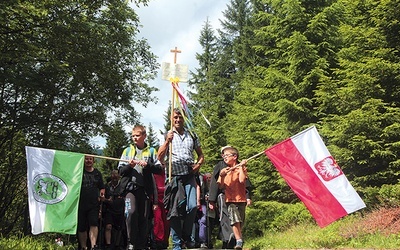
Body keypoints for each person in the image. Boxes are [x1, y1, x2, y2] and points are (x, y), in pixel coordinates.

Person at [158, 108, 205, 250]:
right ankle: (177, 243)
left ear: (184, 119)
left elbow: (201, 156)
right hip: (174, 177)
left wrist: (198, 165)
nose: (178, 120)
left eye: (180, 117)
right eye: (175, 117)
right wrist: (167, 141)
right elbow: (160, 157)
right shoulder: (167, 134)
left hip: (189, 175)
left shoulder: (192, 134)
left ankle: (186, 236)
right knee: (175, 211)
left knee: (192, 206)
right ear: (171, 119)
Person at [118, 125, 163, 250]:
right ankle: (130, 242)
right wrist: (130, 166)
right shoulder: (127, 151)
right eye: (133, 136)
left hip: (145, 190)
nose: (135, 138)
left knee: (144, 218)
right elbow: (121, 171)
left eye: (137, 135)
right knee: (130, 213)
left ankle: (141, 245)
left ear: (144, 136)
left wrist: (148, 165)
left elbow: (159, 169)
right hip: (130, 188)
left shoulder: (152, 151)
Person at [208, 146, 252, 249]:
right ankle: (238, 240)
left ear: (235, 156)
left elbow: (243, 181)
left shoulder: (241, 167)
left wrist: (241, 167)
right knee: (234, 219)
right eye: (223, 155)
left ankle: (235, 237)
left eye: (226, 155)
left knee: (240, 221)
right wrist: (222, 175)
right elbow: (219, 185)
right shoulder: (221, 167)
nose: (224, 157)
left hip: (240, 199)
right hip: (229, 199)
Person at [78, 155, 105, 250]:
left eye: (90, 159)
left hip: (94, 204)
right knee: (81, 227)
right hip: (80, 204)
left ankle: (93, 246)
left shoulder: (97, 173)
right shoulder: (79, 171)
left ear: (93, 161)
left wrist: (102, 193)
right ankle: (83, 247)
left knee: (93, 224)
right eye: (86, 159)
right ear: (84, 160)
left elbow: (102, 187)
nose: (88, 161)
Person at [103, 170, 125, 250]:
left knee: (120, 228)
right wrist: (106, 200)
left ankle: (117, 244)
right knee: (108, 227)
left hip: (120, 210)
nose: (115, 177)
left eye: (116, 175)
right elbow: (102, 198)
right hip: (109, 209)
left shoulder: (122, 186)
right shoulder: (107, 186)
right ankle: (108, 245)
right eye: (113, 175)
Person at [151, 163, 169, 249]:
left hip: (166, 198)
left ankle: (165, 240)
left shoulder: (169, 171)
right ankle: (158, 240)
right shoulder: (155, 172)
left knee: (166, 221)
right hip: (157, 198)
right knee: (158, 219)